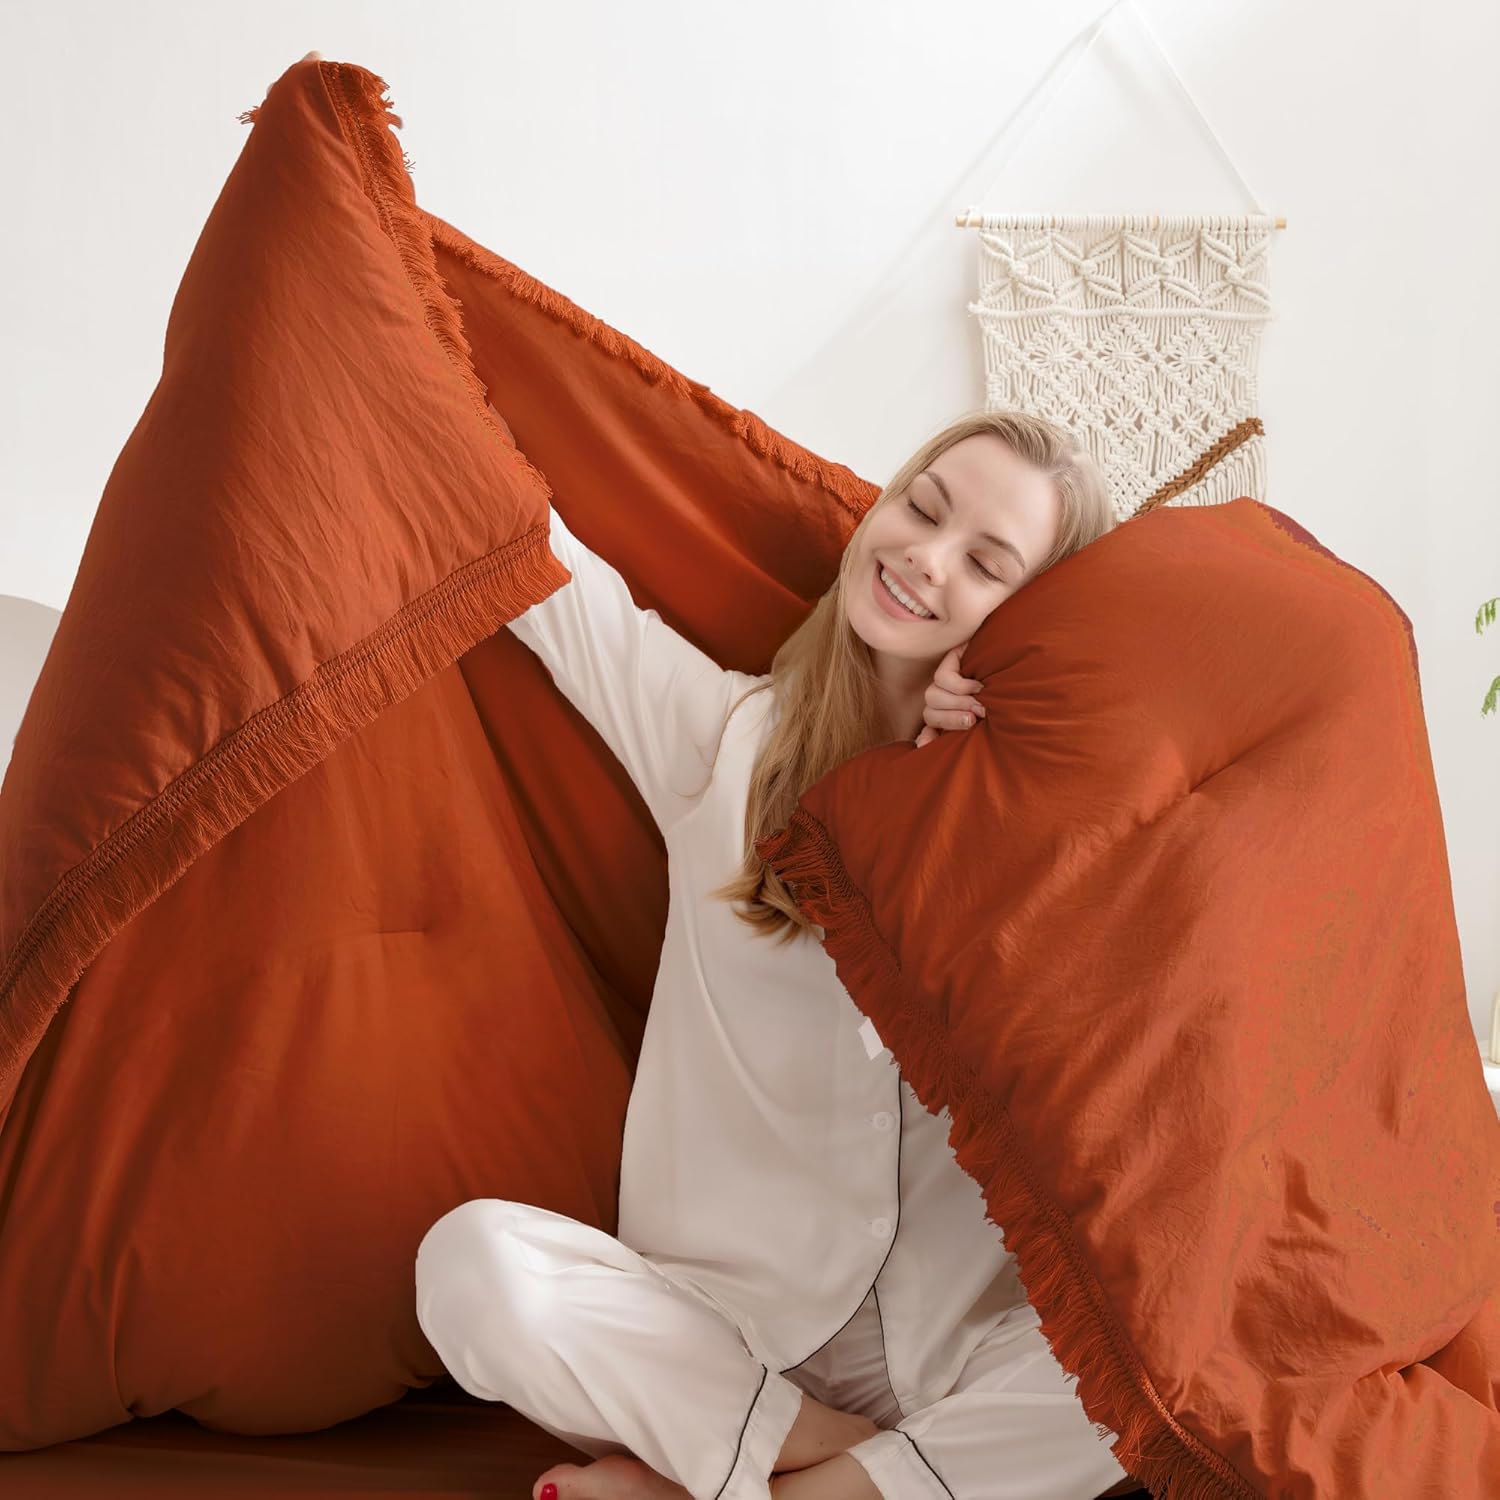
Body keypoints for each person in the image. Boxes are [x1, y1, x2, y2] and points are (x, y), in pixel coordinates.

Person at [414, 409, 1140, 1500]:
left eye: (987, 565)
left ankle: (737, 1485)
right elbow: (531, 559)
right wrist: (371, 353)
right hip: (715, 1336)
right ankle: (828, 1462)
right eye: (922, 508)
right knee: (474, 1270)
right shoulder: (720, 740)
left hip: (949, 1350)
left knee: (1162, 1361)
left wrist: (984, 778)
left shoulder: (1059, 834)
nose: (926, 558)